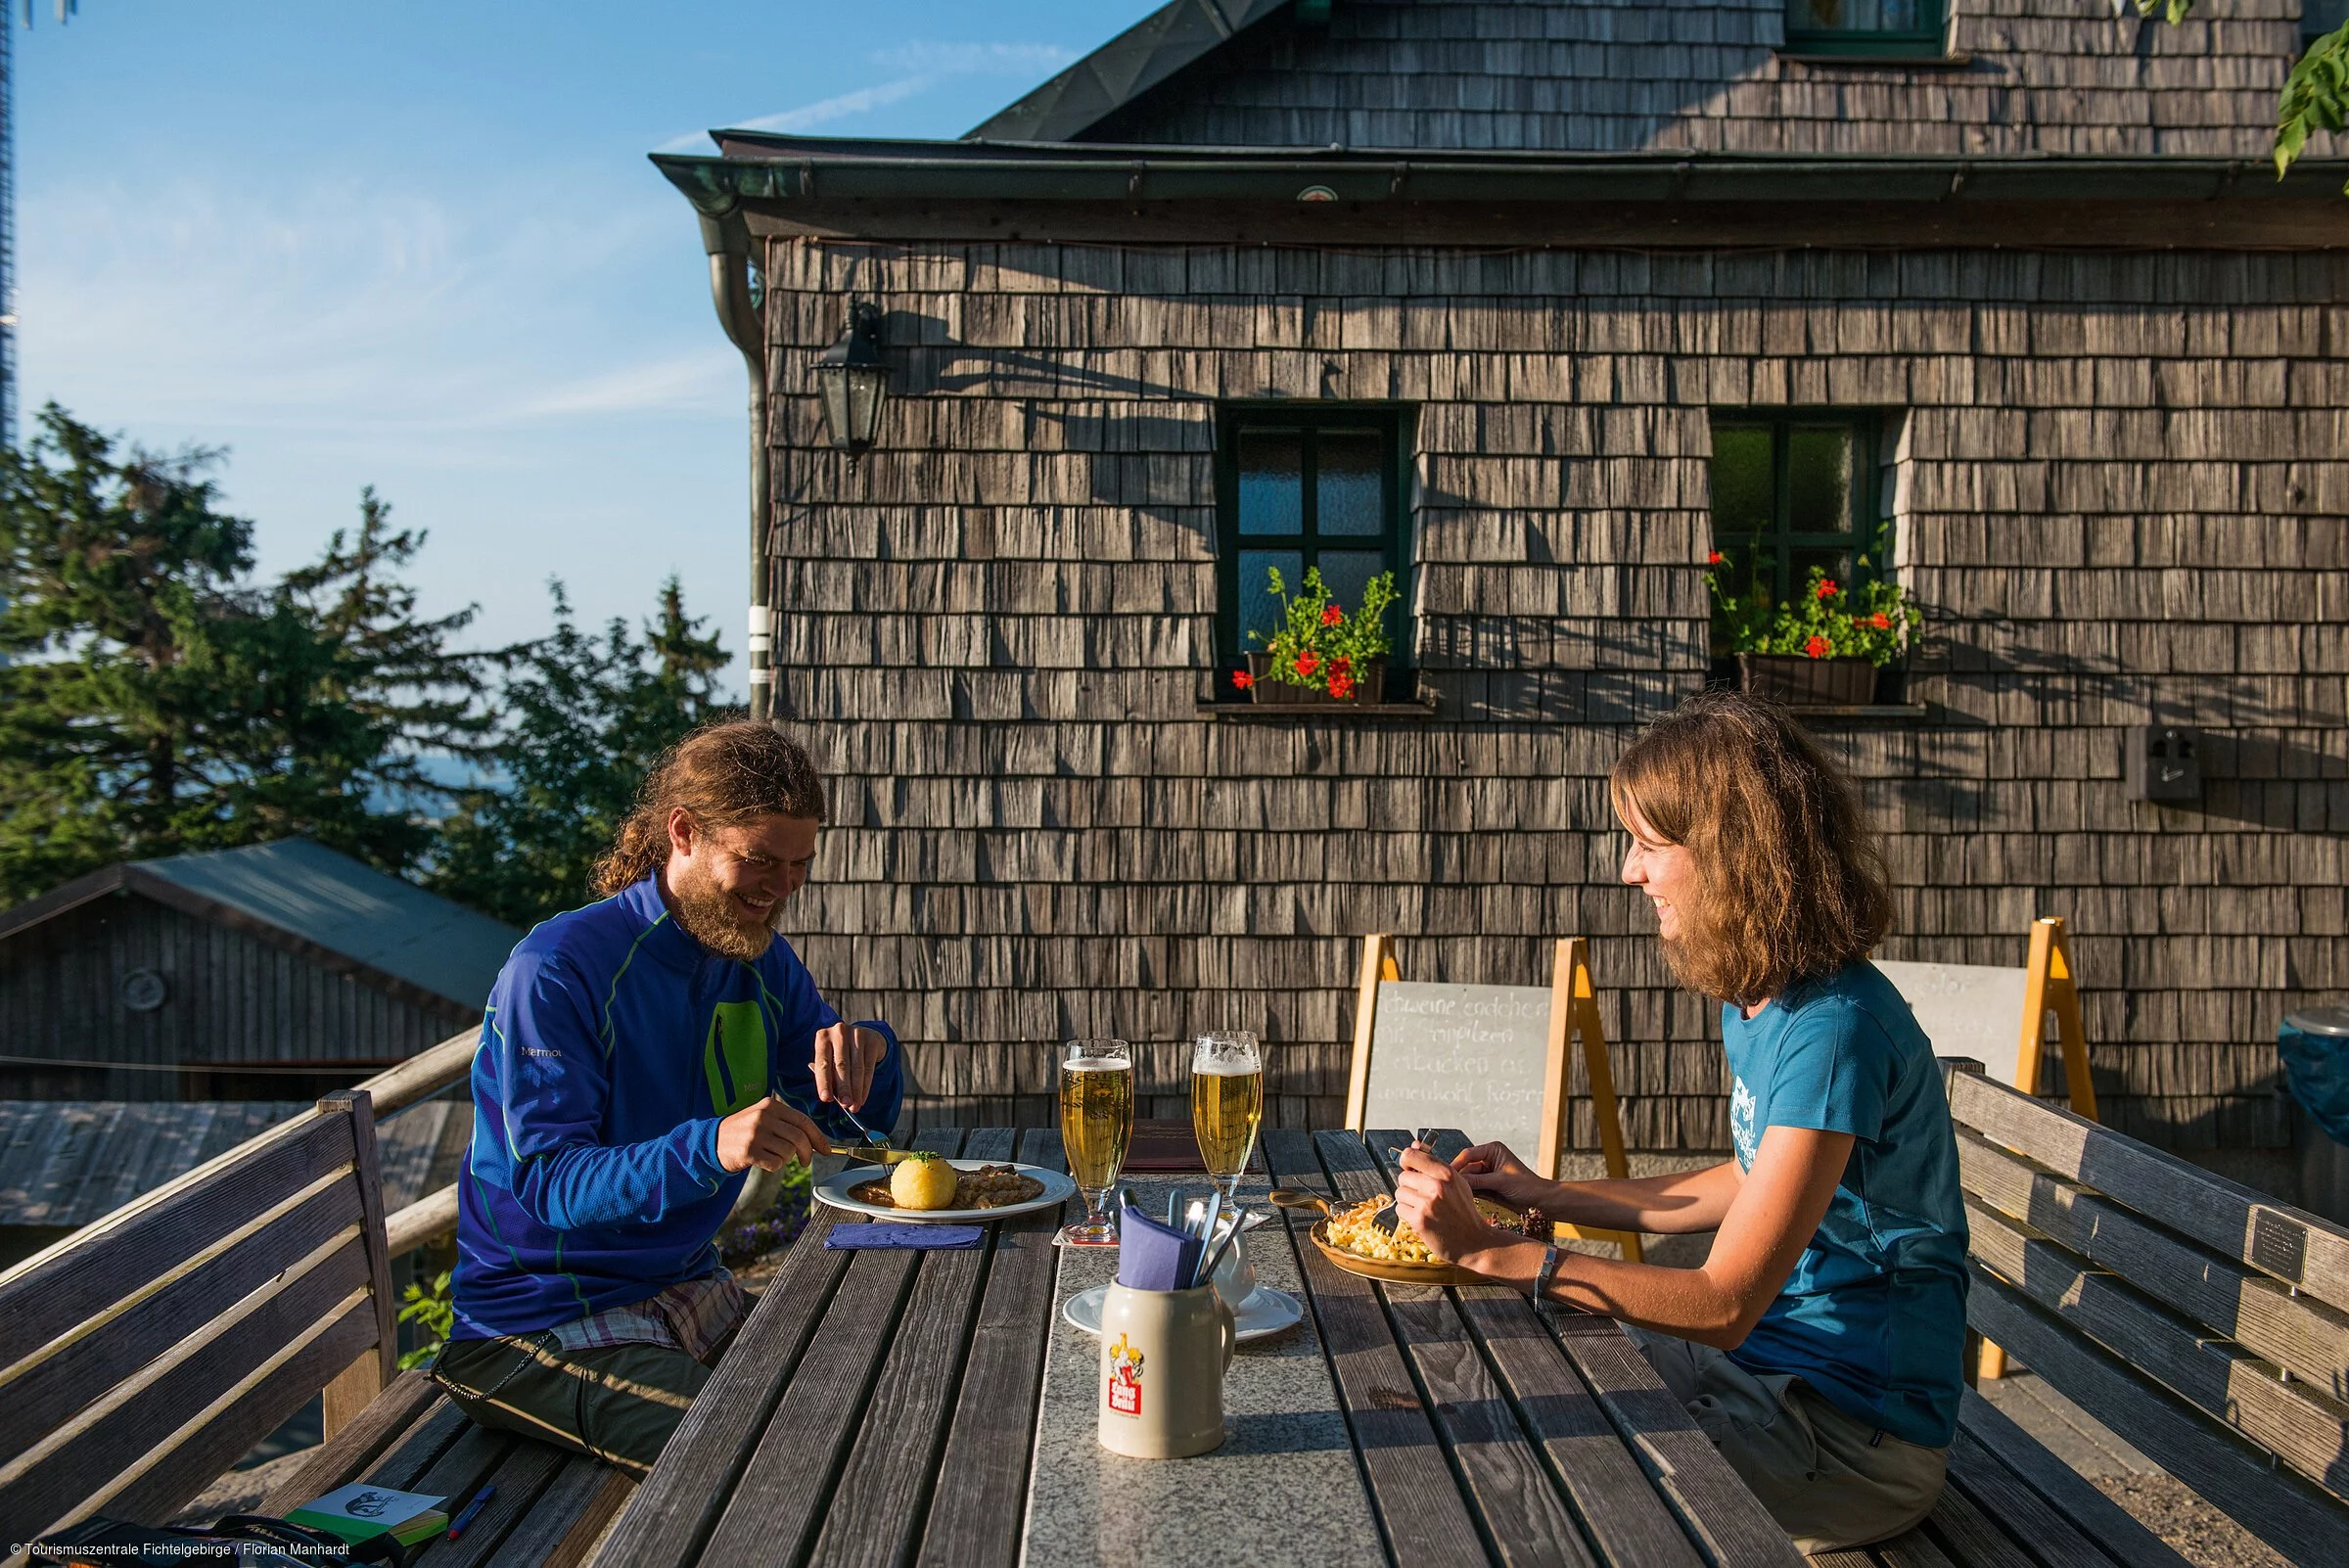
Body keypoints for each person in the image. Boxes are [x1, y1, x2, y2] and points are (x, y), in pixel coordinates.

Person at [1392, 690, 1967, 1553]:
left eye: (1650, 846)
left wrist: (1490, 1249)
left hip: (1849, 1441)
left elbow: (1725, 1301)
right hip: (1769, 1377)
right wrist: (1551, 1194)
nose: (1630, 871)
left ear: (1735, 855)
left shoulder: (1835, 1030)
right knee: (1506, 1369)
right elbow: (1747, 1181)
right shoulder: (1764, 998)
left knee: (1537, 1466)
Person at [433, 719, 902, 1474]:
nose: (783, 890)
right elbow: (548, 1184)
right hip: (534, 1328)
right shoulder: (557, 969)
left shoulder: (761, 959)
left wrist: (870, 1053)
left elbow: (839, 1117)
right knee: (772, 1461)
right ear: (683, 832)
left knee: (883, 1397)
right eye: (760, 862)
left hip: (683, 1292)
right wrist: (710, 1145)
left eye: (800, 865)